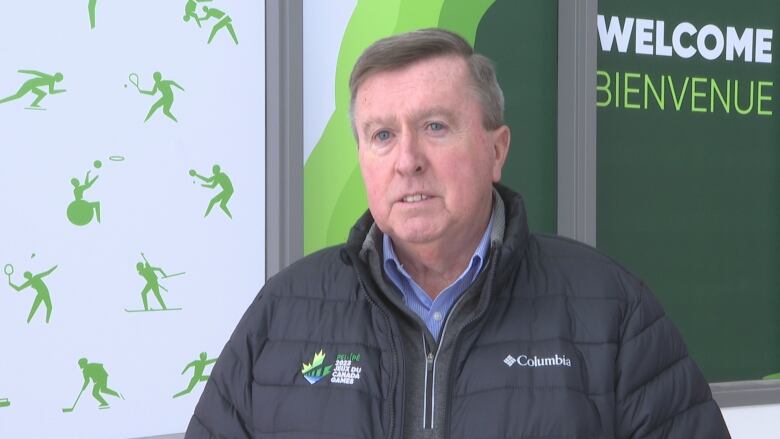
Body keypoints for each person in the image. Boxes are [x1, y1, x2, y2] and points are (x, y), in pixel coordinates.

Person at [185, 29, 730, 438]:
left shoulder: (613, 311)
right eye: (382, 135)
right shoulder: (283, 312)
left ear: (497, 151)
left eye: (435, 127)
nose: (407, 160)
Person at [0, 70, 66, 109]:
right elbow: (36, 72)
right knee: (17, 96)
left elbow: (51, 92)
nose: (59, 81)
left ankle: (34, 104)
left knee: (43, 94)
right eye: (59, 79)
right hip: (29, 84)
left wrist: (62, 90)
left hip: (33, 86)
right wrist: (23, 71)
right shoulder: (49, 78)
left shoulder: (52, 82)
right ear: (57, 78)